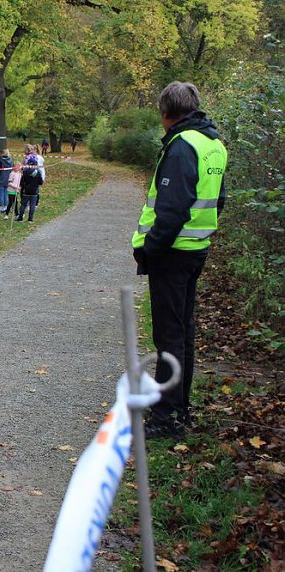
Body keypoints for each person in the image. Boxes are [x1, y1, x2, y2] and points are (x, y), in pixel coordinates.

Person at [132, 81, 227, 440]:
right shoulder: (214, 144)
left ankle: (166, 416)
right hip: (196, 250)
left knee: (169, 336)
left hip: (172, 255)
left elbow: (171, 210)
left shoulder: (181, 145)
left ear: (165, 113)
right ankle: (180, 407)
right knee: (183, 331)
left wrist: (150, 249)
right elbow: (218, 200)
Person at [16, 156, 43, 222]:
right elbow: (40, 182)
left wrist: (23, 186)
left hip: (26, 191)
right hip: (34, 191)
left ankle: (20, 218)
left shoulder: (25, 172)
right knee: (32, 205)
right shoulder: (38, 173)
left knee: (23, 205)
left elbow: (22, 182)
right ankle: (30, 219)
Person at [0, 149, 13, 214]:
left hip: (1, 179)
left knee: (1, 193)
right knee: (6, 193)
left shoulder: (1, 161)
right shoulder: (11, 161)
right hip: (8, 178)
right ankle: (6, 206)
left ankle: (1, 206)